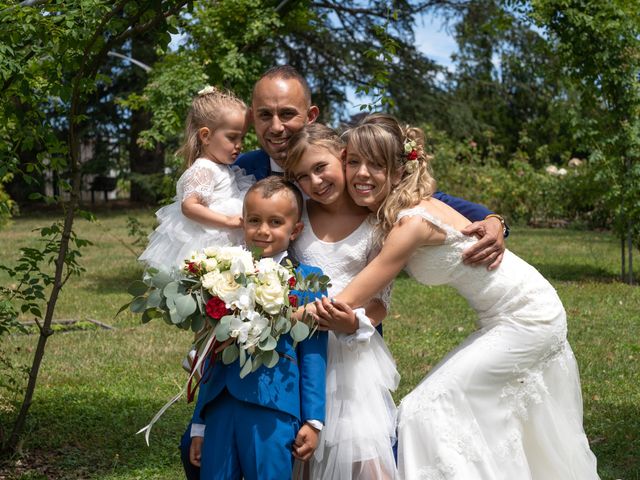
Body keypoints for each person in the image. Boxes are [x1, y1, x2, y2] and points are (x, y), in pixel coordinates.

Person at [320, 113, 600, 479]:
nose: (361, 173)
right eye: (353, 161)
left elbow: (349, 299)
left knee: (425, 409)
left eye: (376, 164)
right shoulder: (404, 207)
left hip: (529, 317)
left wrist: (273, 311)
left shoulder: (412, 223)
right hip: (503, 318)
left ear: (398, 170)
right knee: (455, 409)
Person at [188, 177, 328, 480]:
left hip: (274, 404)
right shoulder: (222, 275)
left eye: (275, 222)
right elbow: (213, 349)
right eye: (254, 220)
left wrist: (314, 420)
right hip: (221, 402)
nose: (263, 230)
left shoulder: (307, 281)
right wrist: (199, 423)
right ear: (243, 223)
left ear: (296, 230)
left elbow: (314, 354)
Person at [285, 123, 399, 479]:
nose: (315, 182)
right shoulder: (298, 214)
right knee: (301, 451)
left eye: (321, 168)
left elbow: (381, 301)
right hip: (302, 346)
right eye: (303, 177)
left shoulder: (376, 220)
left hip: (351, 355)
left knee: (362, 450)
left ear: (343, 157)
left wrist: (351, 322)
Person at [139, 86, 253, 275]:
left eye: (242, 137)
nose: (239, 145)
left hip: (225, 235)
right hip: (209, 239)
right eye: (232, 137)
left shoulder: (221, 167)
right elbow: (189, 206)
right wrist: (227, 220)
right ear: (206, 136)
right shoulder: (203, 169)